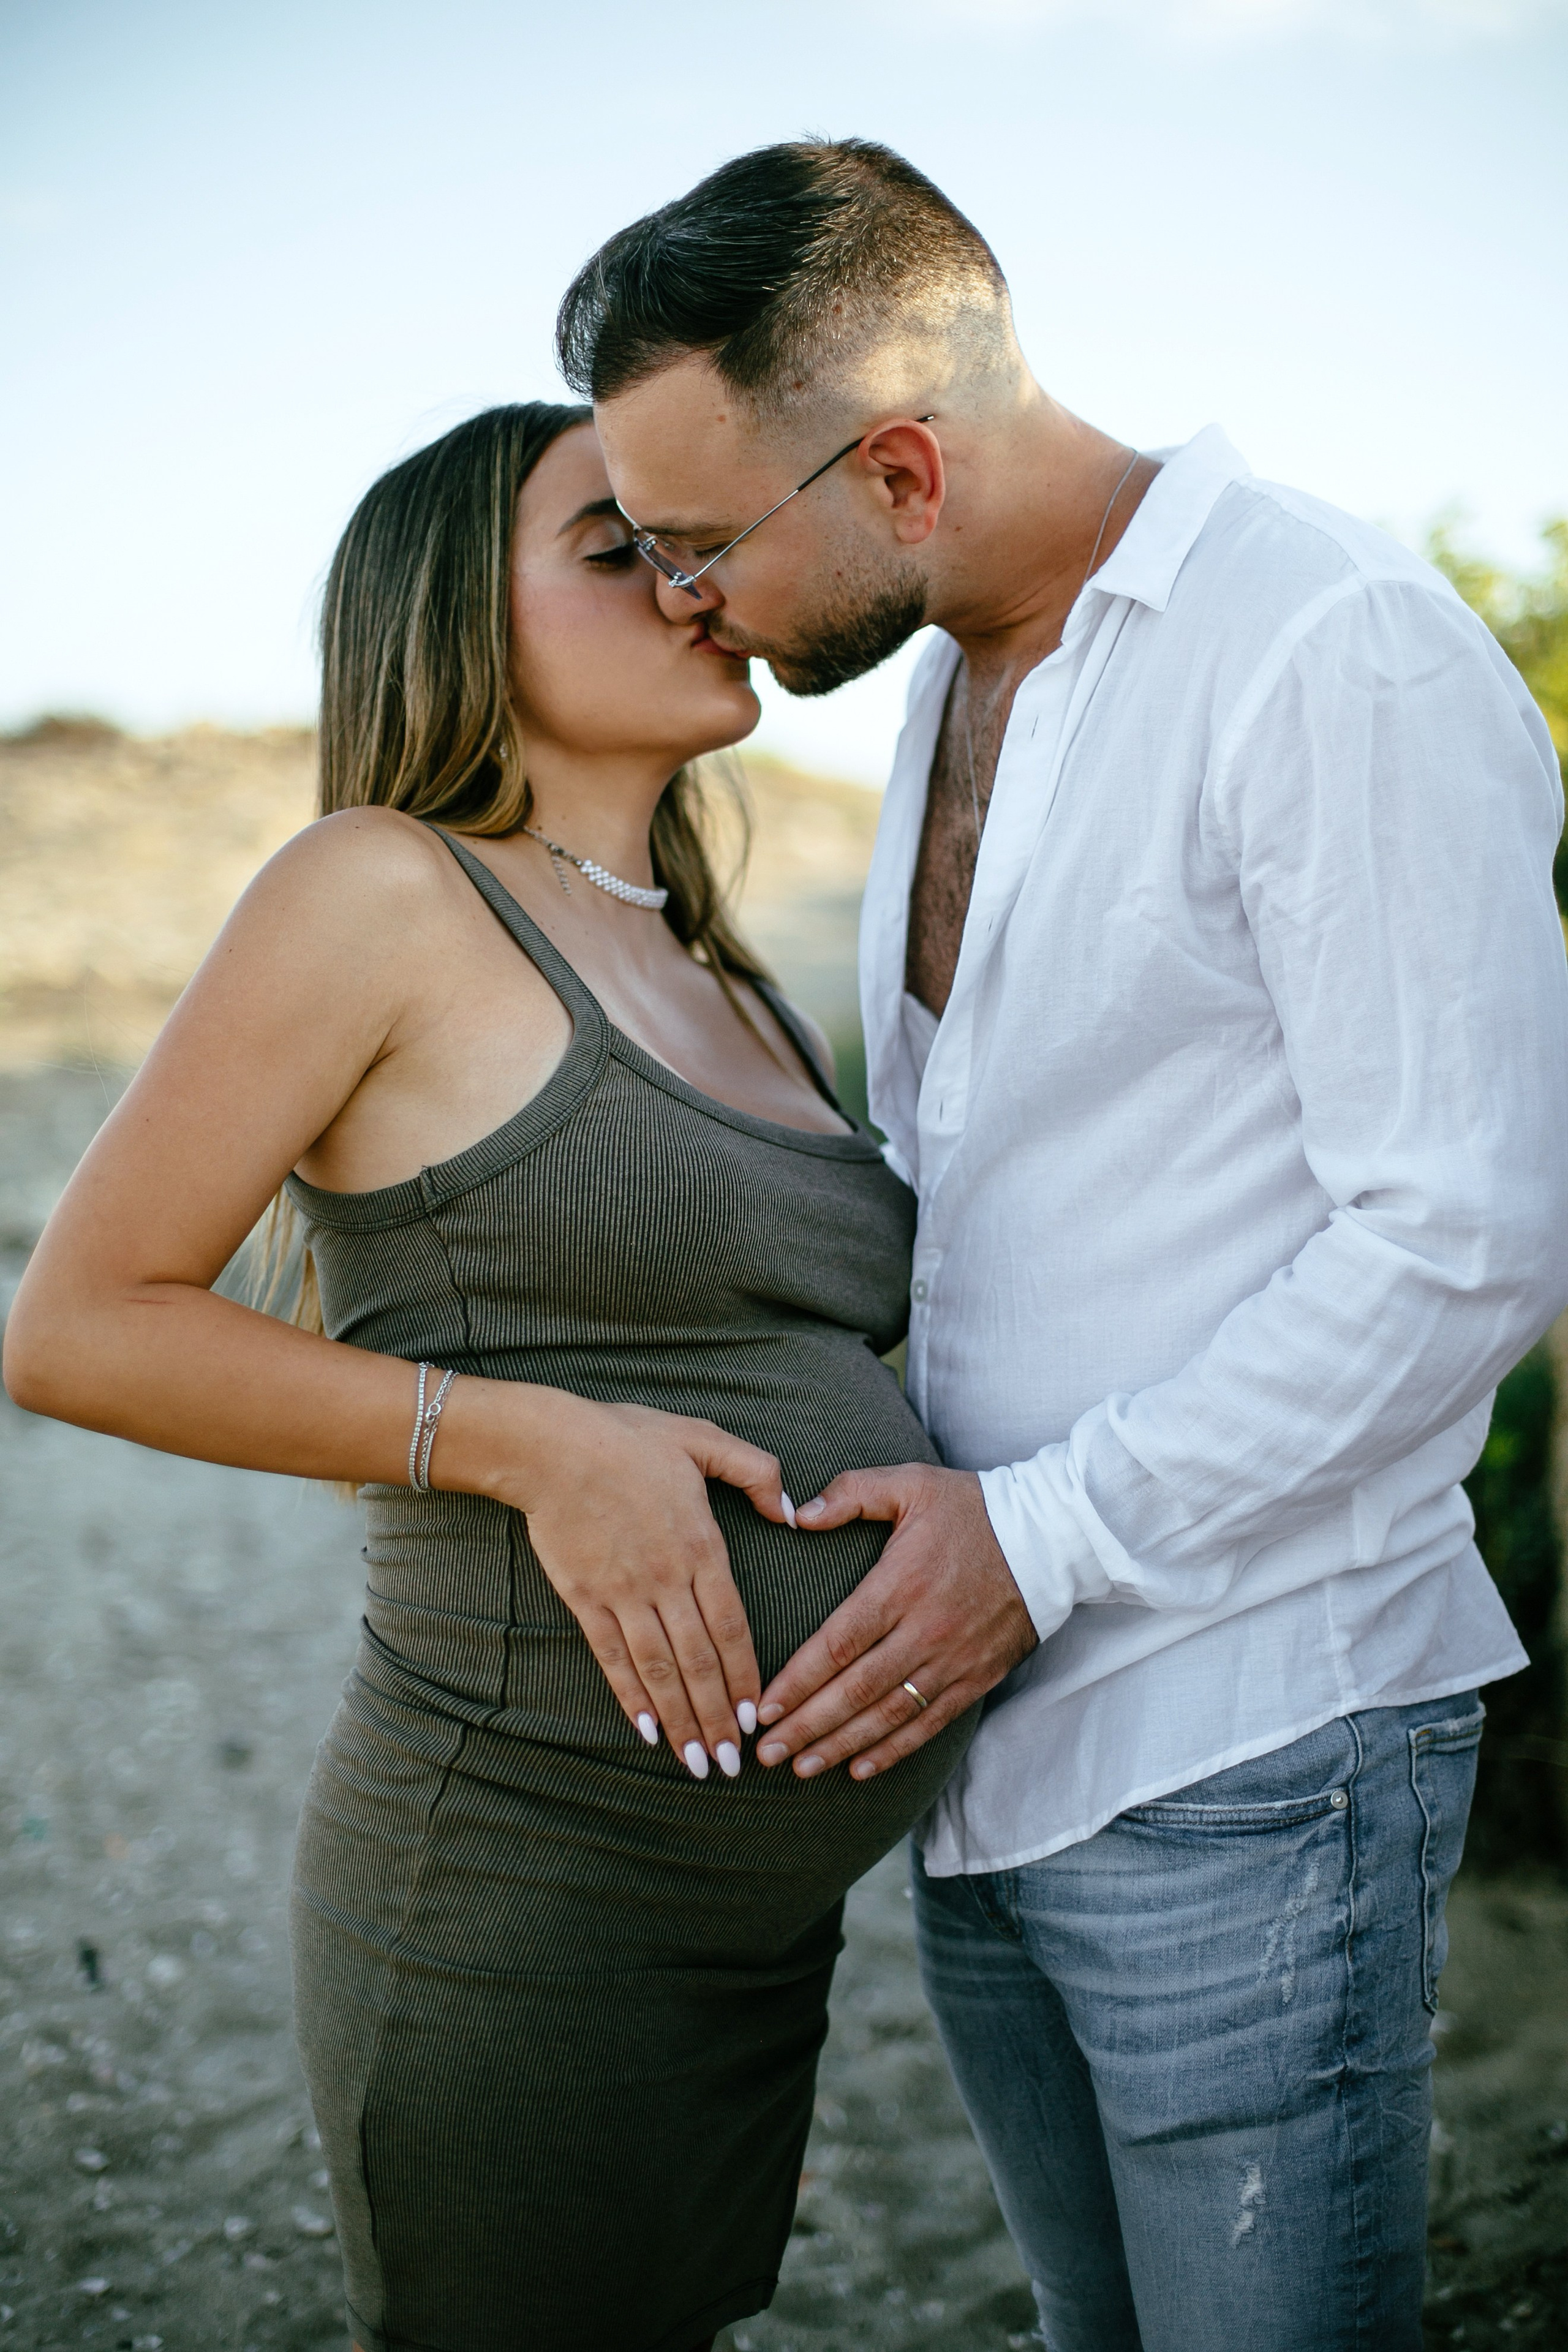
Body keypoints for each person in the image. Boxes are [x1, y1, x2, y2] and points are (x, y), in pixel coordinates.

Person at [560, 138, 1568, 2350]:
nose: (683, 596)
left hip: (1254, 1733)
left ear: (903, 469)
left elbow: (1468, 1238)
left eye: (703, 541)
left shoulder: (1330, 647)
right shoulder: (944, 674)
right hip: (990, 1732)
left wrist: (1037, 1540)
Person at [0, 400, 978, 2352]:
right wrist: (527, 1443)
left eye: (693, 539)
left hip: (750, 1929)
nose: (693, 581)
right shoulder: (378, 890)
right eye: (618, 550)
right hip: (526, 1885)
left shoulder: (732, 970)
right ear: (456, 620)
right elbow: (78, 1323)